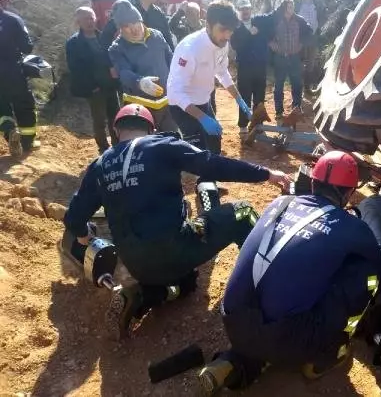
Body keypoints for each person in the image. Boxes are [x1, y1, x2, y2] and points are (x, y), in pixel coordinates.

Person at [63, 104, 292, 340]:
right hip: (175, 250)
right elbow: (212, 164)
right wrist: (266, 174)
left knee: (188, 282)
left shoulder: (99, 165)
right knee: (242, 211)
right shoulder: (162, 145)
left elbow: (74, 218)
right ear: (151, 130)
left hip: (137, 265)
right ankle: (268, 283)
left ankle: (142, 296)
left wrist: (84, 237)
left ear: (116, 130)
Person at [196, 151, 381, 396]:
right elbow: (378, 264)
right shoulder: (352, 227)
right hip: (286, 339)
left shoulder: (279, 203)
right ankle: (328, 353)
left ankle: (237, 362)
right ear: (349, 193)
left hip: (232, 319)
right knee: (366, 274)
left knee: (277, 280)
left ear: (313, 182)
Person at [167, 0, 251, 154]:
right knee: (199, 153)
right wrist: (202, 118)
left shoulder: (222, 43)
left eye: (230, 30)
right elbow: (174, 92)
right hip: (183, 106)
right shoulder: (190, 49)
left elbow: (222, 72)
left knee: (214, 143)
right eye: (223, 29)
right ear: (208, 25)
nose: (227, 35)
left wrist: (239, 99)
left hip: (203, 101)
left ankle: (212, 176)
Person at [107, 0, 179, 133]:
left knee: (173, 139)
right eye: (127, 26)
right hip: (139, 108)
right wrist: (139, 82)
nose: (133, 28)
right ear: (120, 29)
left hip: (167, 102)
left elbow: (171, 58)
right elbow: (124, 72)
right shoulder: (117, 48)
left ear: (140, 20)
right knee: (146, 145)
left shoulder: (157, 36)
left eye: (135, 22)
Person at [66, 7, 120, 154]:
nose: (90, 21)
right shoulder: (73, 43)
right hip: (95, 89)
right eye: (85, 19)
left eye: (91, 17)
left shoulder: (103, 38)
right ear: (78, 22)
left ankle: (117, 147)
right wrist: (91, 86)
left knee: (115, 118)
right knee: (99, 120)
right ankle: (103, 149)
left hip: (110, 85)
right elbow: (75, 68)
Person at [0, 0, 39, 157]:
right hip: (12, 71)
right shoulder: (13, 19)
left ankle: (9, 132)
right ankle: (27, 143)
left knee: (2, 107)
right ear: (5, 1)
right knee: (24, 105)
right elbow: (27, 47)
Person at [100, 0, 174, 51]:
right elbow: (105, 39)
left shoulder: (159, 14)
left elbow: (168, 43)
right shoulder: (124, 8)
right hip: (130, 61)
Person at [230, 0, 271, 135]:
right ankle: (243, 125)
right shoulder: (235, 27)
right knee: (245, 96)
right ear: (238, 11)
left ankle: (258, 124)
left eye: (247, 8)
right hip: (245, 67)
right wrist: (249, 34)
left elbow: (269, 29)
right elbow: (236, 45)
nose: (245, 11)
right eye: (242, 9)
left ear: (250, 9)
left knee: (259, 96)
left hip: (260, 66)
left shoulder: (259, 22)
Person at [269, 0, 312, 123]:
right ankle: (278, 112)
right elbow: (267, 34)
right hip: (280, 57)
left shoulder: (300, 20)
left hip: (294, 57)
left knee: (297, 84)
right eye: (289, 6)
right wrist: (272, 44)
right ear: (284, 8)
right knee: (279, 85)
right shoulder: (276, 20)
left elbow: (309, 32)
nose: (291, 9)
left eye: (292, 6)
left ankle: (297, 108)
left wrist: (302, 44)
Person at [294, 0, 326, 93]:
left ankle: (307, 88)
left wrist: (319, 26)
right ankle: (298, 87)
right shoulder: (296, 3)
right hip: (299, 37)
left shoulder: (317, 2)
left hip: (313, 36)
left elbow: (323, 15)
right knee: (298, 62)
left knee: (310, 63)